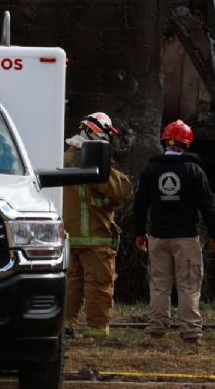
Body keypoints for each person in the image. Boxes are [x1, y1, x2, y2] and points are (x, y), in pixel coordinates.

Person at [133, 120, 215, 345]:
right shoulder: (194, 170)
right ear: (187, 143)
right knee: (189, 284)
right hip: (186, 238)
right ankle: (191, 333)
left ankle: (156, 330)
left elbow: (140, 204)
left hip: (158, 236)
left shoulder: (150, 169)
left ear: (165, 141)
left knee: (159, 285)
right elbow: (207, 206)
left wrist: (139, 232)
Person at [63, 112, 134, 339]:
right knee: (99, 284)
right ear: (97, 133)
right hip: (96, 236)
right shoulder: (96, 162)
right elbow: (123, 190)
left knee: (71, 283)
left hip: (68, 237)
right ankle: (97, 331)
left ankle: (66, 324)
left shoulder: (62, 159)